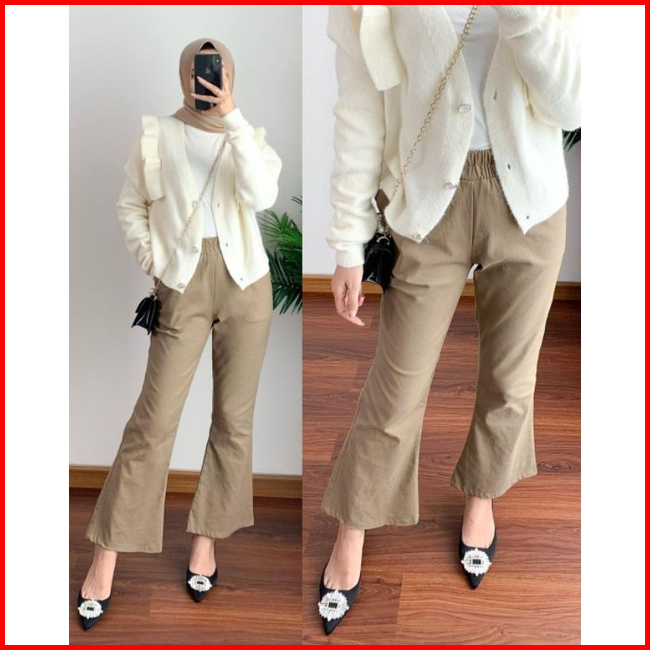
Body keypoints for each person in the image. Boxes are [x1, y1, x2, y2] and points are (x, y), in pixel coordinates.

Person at [317, 5, 581, 634]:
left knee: (510, 379)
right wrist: (348, 241)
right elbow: (360, 111)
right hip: (426, 206)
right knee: (396, 387)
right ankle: (353, 527)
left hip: (531, 206)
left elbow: (572, 106)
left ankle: (482, 496)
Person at [76, 37, 282, 630]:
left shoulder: (248, 137)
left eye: (216, 71)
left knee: (233, 421)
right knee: (153, 422)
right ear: (183, 74)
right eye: (198, 70)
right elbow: (130, 207)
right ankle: (105, 557)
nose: (206, 80)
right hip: (182, 286)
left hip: (247, 286)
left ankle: (205, 542)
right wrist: (158, 264)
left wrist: (232, 118)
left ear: (230, 75)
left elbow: (262, 196)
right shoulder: (156, 137)